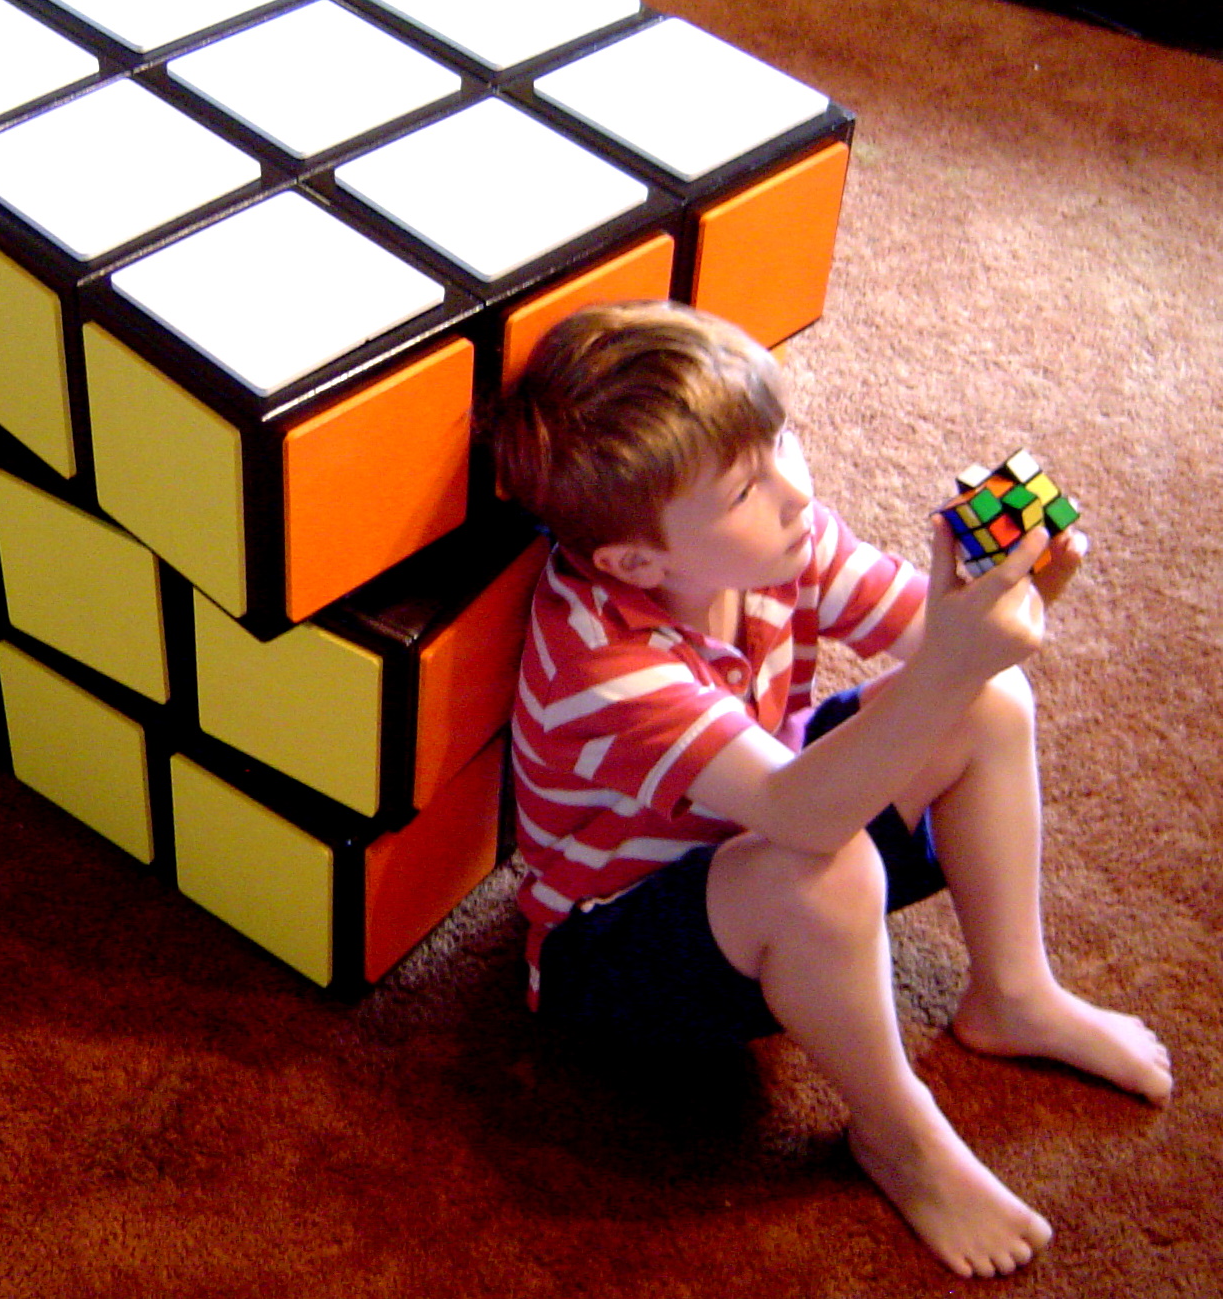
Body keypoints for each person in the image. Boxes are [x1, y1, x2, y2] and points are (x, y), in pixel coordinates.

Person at [492, 300, 1172, 1280]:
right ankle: (896, 1132)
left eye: (780, 441)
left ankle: (1012, 991)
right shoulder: (602, 663)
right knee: (827, 862)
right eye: (742, 487)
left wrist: (1003, 597)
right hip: (613, 957)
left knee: (989, 701)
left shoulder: (778, 544)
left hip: (759, 840)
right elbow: (805, 814)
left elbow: (924, 637)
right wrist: (948, 659)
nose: (793, 490)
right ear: (636, 562)